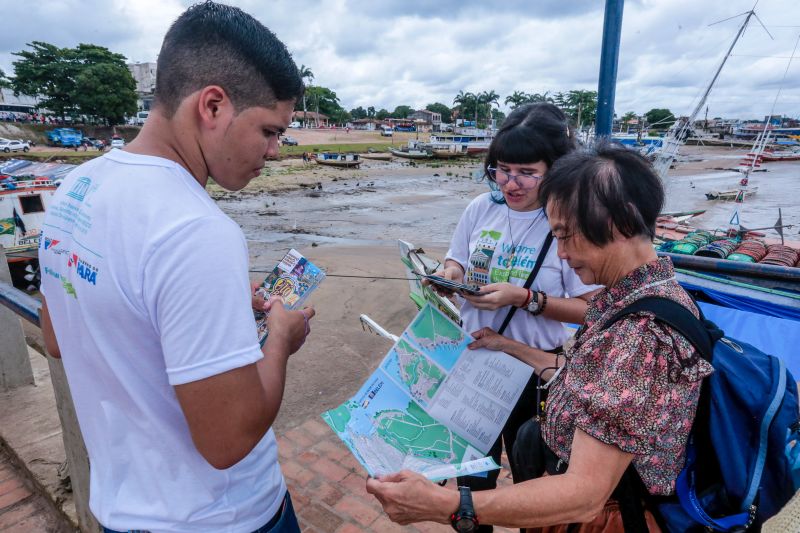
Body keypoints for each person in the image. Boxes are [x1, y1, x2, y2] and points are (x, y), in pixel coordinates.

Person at [38, 3, 312, 532]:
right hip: (222, 517)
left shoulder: (75, 188)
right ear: (213, 105)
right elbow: (227, 442)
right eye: (270, 131)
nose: (275, 152)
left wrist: (214, 309)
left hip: (123, 507)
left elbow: (57, 336)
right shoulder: (196, 230)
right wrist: (279, 337)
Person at [367, 141, 714, 531]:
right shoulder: (643, 293)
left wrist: (448, 504)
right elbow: (591, 378)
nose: (562, 254)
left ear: (622, 221)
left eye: (566, 236)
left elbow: (584, 496)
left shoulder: (639, 335)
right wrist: (509, 346)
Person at [426, 103, 600, 524]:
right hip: (474, 360)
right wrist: (448, 275)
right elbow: (458, 261)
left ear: (555, 168)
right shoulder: (480, 209)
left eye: (526, 171)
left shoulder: (565, 222)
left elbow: (592, 311)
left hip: (533, 374)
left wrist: (524, 298)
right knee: (471, 475)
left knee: (531, 477)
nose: (510, 182)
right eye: (502, 169)